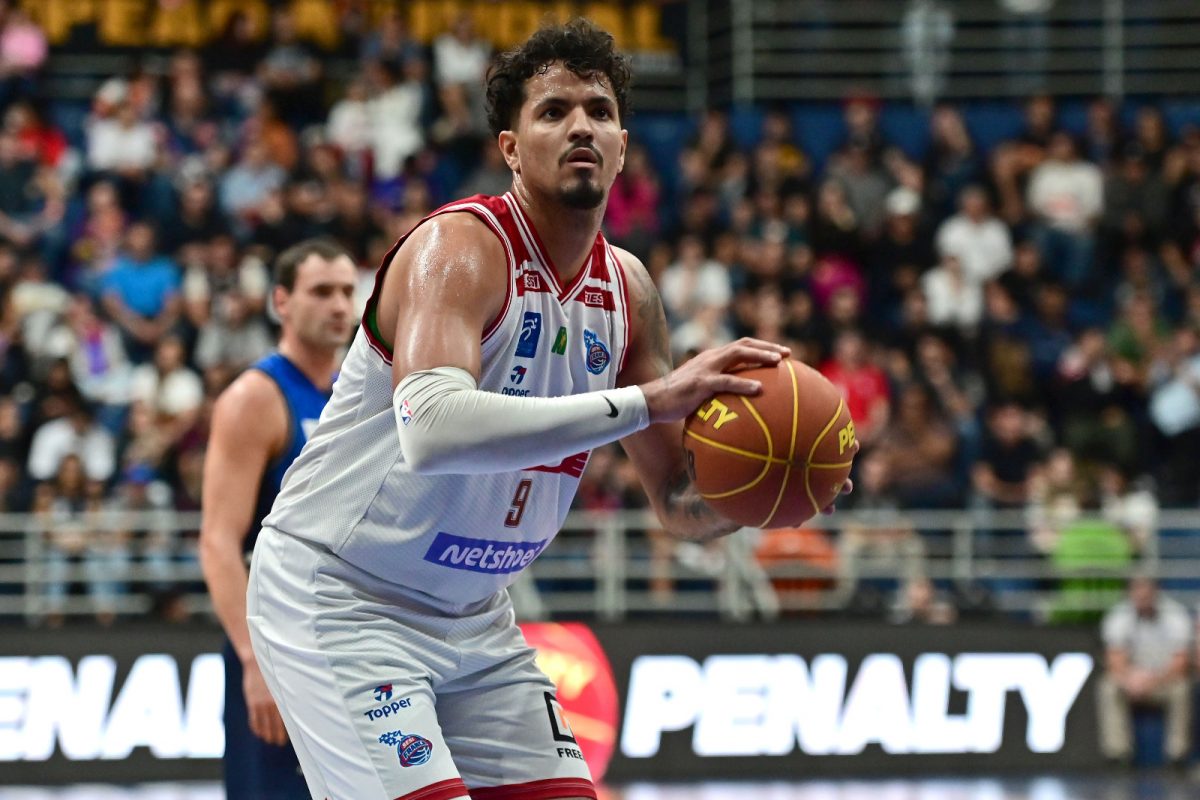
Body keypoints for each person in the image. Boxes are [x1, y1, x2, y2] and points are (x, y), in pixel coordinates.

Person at [246, 20, 850, 800]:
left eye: (599, 111)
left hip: (472, 615)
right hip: (342, 594)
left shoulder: (628, 291)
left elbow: (677, 504)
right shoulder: (459, 248)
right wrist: (647, 401)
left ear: (623, 146)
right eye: (554, 111)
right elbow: (430, 429)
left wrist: (772, 493)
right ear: (510, 147)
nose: (580, 127)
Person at [199, 239, 356, 799]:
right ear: (281, 301)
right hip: (279, 643)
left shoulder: (359, 394)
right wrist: (253, 658)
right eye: (322, 292)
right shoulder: (255, 397)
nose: (339, 306)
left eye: (347, 292)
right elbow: (218, 543)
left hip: (354, 639)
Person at [1097, 575, 1192, 767]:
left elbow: (1180, 662)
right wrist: (1129, 678)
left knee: (1182, 689)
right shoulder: (1119, 615)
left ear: (1156, 591)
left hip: (1164, 680)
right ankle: (1117, 754)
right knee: (1108, 687)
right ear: (1130, 592)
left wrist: (1153, 680)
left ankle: (1177, 755)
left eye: (1146, 591)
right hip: (1131, 680)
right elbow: (1114, 659)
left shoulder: (1175, 615)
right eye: (1137, 590)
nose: (1142, 596)